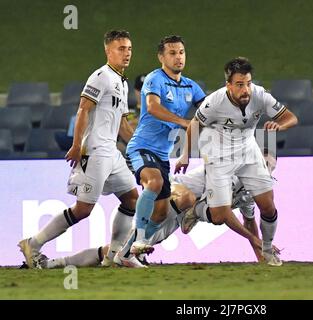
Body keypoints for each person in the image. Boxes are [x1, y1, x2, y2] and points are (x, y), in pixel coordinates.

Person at [18, 30, 139, 268]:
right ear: (108, 51)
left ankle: (114, 255)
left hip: (112, 153)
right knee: (84, 209)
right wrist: (76, 145)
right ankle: (33, 244)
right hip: (94, 152)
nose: (126, 54)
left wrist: (137, 148)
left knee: (132, 199)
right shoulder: (101, 76)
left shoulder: (122, 82)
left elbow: (122, 125)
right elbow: (83, 109)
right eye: (120, 48)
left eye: (129, 49)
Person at [41, 152, 278, 269]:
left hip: (181, 212)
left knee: (114, 254)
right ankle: (193, 212)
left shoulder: (250, 194)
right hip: (174, 193)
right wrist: (256, 241)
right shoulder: (227, 171)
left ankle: (53, 264)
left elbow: (249, 221)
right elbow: (226, 215)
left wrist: (263, 256)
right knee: (194, 199)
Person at [175, 57, 298, 266]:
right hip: (220, 157)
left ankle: (267, 251)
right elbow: (194, 126)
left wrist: (281, 126)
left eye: (248, 83)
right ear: (228, 85)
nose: (245, 90)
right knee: (220, 215)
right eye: (240, 85)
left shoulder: (261, 95)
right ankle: (195, 210)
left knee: (268, 206)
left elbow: (291, 118)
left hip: (249, 153)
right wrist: (185, 154)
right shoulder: (214, 102)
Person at [122, 35, 206, 259]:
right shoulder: (154, 79)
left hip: (162, 155)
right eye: (172, 53)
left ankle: (126, 253)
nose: (178, 57)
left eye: (181, 52)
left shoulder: (191, 86)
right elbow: (152, 108)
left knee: (160, 214)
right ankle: (139, 241)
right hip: (141, 147)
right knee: (155, 182)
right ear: (161, 57)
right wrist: (183, 122)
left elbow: (209, 111)